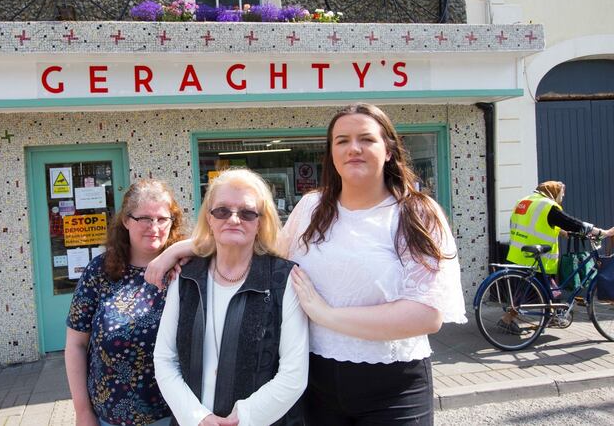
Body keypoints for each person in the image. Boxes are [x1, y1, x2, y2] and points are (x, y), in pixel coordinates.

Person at [284, 103, 466, 424]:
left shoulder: (417, 214)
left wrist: (326, 315)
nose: (353, 148)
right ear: (332, 154)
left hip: (393, 387)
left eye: (366, 139)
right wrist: (177, 250)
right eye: (342, 141)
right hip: (313, 381)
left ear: (389, 151)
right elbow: (262, 255)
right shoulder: (310, 208)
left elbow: (426, 314)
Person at [152, 168, 308, 426]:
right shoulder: (185, 277)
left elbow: (294, 374)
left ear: (260, 222)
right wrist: (198, 417)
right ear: (209, 219)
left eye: (247, 213)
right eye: (222, 211)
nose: (234, 220)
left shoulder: (283, 280)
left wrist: (242, 419)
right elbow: (165, 358)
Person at [65, 179, 185, 426]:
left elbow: (216, 243)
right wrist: (83, 412)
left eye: (163, 219)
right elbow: (76, 344)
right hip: (109, 417)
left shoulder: (185, 269)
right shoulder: (99, 271)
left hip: (173, 416)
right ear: (127, 220)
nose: (154, 227)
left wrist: (173, 254)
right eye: (145, 218)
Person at [502, 180, 614, 330]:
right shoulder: (547, 206)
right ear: (553, 192)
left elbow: (531, 223)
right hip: (539, 255)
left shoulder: (524, 201)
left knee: (547, 289)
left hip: (519, 252)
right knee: (531, 291)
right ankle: (507, 319)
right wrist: (602, 232)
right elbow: (571, 222)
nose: (561, 199)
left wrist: (560, 231)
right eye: (561, 195)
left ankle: (553, 316)